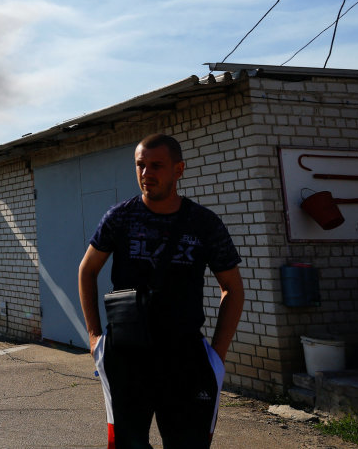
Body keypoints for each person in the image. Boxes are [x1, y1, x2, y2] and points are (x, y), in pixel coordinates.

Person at [78, 134, 245, 449]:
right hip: (126, 355)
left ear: (178, 169)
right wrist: (94, 337)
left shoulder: (204, 223)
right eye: (140, 165)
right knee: (128, 443)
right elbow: (87, 270)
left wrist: (217, 356)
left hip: (184, 356)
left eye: (156, 166)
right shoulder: (120, 218)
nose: (145, 173)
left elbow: (233, 289)